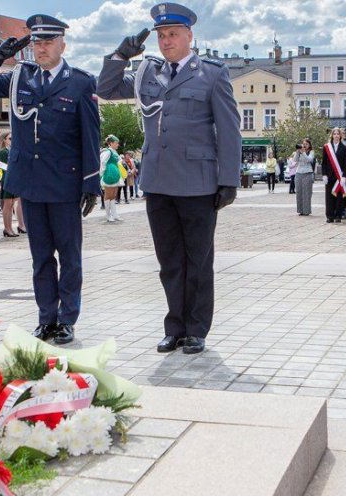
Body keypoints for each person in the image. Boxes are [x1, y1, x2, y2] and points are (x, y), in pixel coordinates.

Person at [99, 2, 242, 355]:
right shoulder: (148, 72)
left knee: (198, 259)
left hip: (198, 182)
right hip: (159, 181)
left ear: (189, 36)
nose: (166, 41)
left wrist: (229, 179)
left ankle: (196, 329)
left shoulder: (211, 73)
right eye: (161, 35)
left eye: (173, 34)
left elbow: (229, 129)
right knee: (169, 261)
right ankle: (174, 327)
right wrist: (120, 55)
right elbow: (106, 88)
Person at [0, 13, 102, 346]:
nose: (42, 49)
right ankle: (46, 318)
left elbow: (90, 135)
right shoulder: (18, 78)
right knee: (40, 257)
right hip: (30, 182)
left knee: (70, 257)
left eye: (48, 42)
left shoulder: (80, 82)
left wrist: (90, 183)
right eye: (37, 42)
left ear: (62, 44)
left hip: (65, 184)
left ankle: (67, 319)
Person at [0, 132, 25, 237]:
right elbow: (3, 166)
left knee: (12, 204)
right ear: (4, 140)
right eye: (10, 138)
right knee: (7, 205)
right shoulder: (3, 152)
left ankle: (11, 228)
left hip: (14, 179)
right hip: (7, 180)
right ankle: (7, 228)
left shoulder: (11, 150)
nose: (12, 140)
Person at [320, 128, 346, 224]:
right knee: (329, 196)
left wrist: (344, 176)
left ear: (340, 136)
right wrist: (324, 174)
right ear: (332, 135)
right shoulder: (326, 147)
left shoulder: (344, 147)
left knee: (339, 197)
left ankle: (338, 215)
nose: (336, 135)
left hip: (339, 176)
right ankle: (330, 216)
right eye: (334, 134)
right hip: (329, 176)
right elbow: (324, 162)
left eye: (338, 134)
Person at [100, 135, 125, 223]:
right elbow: (103, 162)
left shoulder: (114, 151)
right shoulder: (107, 152)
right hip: (109, 175)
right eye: (116, 143)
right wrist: (101, 174)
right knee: (108, 195)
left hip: (115, 174)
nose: (118, 144)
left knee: (114, 195)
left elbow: (118, 161)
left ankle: (114, 214)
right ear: (110, 143)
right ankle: (108, 215)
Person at [290, 142, 314, 215]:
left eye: (306, 144)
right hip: (298, 173)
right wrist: (297, 152)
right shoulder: (299, 152)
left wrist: (303, 153)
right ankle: (300, 210)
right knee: (299, 192)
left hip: (307, 172)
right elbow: (295, 160)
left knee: (306, 193)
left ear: (309, 145)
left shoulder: (311, 152)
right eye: (303, 144)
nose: (304, 145)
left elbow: (309, 160)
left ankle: (306, 211)